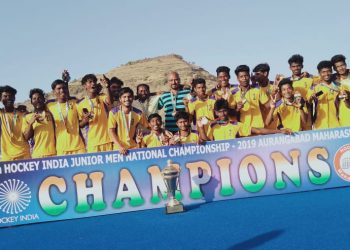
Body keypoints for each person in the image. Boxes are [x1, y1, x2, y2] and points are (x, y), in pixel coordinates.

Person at [198, 99, 291, 141]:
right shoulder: (213, 126)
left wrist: (279, 131)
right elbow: (208, 142)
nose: (222, 114)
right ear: (216, 112)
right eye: (220, 112)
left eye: (225, 111)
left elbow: (258, 130)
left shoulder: (236, 124)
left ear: (228, 111)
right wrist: (201, 128)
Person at [47, 79, 86, 155]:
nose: (62, 90)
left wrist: (85, 120)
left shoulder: (74, 102)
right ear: (54, 91)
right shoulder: (50, 106)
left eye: (64, 88)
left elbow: (81, 123)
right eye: (59, 88)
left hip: (78, 147)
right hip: (61, 148)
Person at [77, 74, 113, 153]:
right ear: (84, 86)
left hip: (107, 140)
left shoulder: (102, 97)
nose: (93, 83)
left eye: (94, 82)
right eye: (90, 82)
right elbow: (79, 124)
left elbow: (110, 102)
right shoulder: (80, 104)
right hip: (92, 143)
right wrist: (85, 120)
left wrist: (107, 87)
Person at [108, 87, 148, 155]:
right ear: (120, 99)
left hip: (134, 148)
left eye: (129, 97)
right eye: (124, 97)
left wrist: (139, 142)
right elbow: (111, 131)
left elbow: (147, 129)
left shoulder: (139, 113)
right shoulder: (113, 112)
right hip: (119, 149)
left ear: (132, 98)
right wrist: (120, 146)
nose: (127, 99)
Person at [307, 61, 343, 129]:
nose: (326, 74)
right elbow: (307, 103)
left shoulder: (339, 87)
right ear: (319, 73)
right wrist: (311, 98)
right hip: (319, 125)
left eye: (328, 71)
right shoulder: (314, 88)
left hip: (337, 124)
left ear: (332, 71)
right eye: (323, 72)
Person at [22, 88, 56, 158]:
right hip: (37, 155)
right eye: (34, 99)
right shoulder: (27, 117)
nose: (37, 100)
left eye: (39, 98)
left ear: (44, 99)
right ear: (31, 102)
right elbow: (26, 137)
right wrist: (30, 123)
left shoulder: (51, 113)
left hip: (54, 154)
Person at [0, 85, 30, 161]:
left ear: (14, 98)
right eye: (5, 96)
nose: (8, 98)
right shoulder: (1, 113)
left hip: (24, 154)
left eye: (11, 96)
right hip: (7, 157)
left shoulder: (22, 113)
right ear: (1, 98)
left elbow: (26, 136)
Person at [287, 54, 314, 130]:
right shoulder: (287, 82)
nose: (296, 68)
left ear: (302, 66)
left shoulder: (309, 80)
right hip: (291, 115)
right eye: (293, 66)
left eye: (298, 66)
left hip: (306, 114)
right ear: (290, 68)